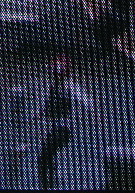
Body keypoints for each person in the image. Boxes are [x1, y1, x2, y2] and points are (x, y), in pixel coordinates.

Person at [37, 53, 92, 190]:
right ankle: (50, 181)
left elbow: (87, 101)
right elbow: (45, 109)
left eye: (58, 71)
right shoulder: (50, 87)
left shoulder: (69, 87)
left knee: (45, 156)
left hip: (63, 129)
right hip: (52, 128)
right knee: (45, 158)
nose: (54, 74)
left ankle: (49, 183)